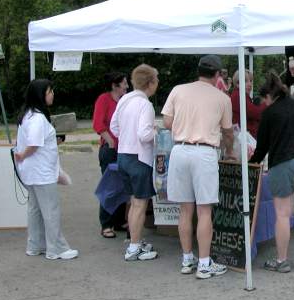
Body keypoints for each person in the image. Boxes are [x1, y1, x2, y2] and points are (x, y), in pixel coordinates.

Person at [162, 55, 234, 278]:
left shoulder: (178, 89)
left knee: (185, 209)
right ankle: (204, 263)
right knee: (204, 210)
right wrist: (229, 150)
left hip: (180, 149)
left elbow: (166, 121)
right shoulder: (222, 98)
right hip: (204, 152)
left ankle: (186, 258)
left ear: (198, 70)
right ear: (218, 74)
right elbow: (228, 131)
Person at [249, 72, 294, 273]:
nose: (263, 104)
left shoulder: (270, 113)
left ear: (269, 97)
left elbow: (261, 147)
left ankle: (282, 261)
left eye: (264, 100)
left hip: (282, 162)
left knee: (282, 214)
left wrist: (251, 163)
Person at [14, 79, 78, 261]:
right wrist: (23, 154)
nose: (52, 94)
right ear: (41, 95)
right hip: (41, 172)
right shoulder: (38, 118)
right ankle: (56, 248)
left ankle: (36, 245)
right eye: (50, 91)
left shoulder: (28, 114)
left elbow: (36, 142)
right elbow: (33, 144)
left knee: (35, 209)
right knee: (50, 209)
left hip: (32, 172)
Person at [110, 64, 159, 262]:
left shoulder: (125, 100)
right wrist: (156, 132)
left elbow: (113, 125)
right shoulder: (145, 105)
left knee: (133, 202)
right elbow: (144, 134)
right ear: (150, 83)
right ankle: (134, 248)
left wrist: (125, 138)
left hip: (123, 155)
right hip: (139, 158)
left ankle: (135, 241)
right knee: (140, 204)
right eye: (156, 79)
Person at [92, 71, 128, 238]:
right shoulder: (104, 99)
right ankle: (106, 223)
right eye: (124, 83)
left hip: (125, 150)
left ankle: (119, 221)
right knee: (110, 186)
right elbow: (98, 124)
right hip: (109, 150)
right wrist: (110, 141)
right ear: (115, 85)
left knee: (122, 186)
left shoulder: (125, 101)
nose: (127, 86)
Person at [230, 69, 265, 138]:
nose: (249, 84)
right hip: (244, 138)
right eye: (245, 81)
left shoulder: (239, 94)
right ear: (237, 83)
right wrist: (266, 103)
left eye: (251, 81)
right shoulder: (239, 96)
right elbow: (256, 113)